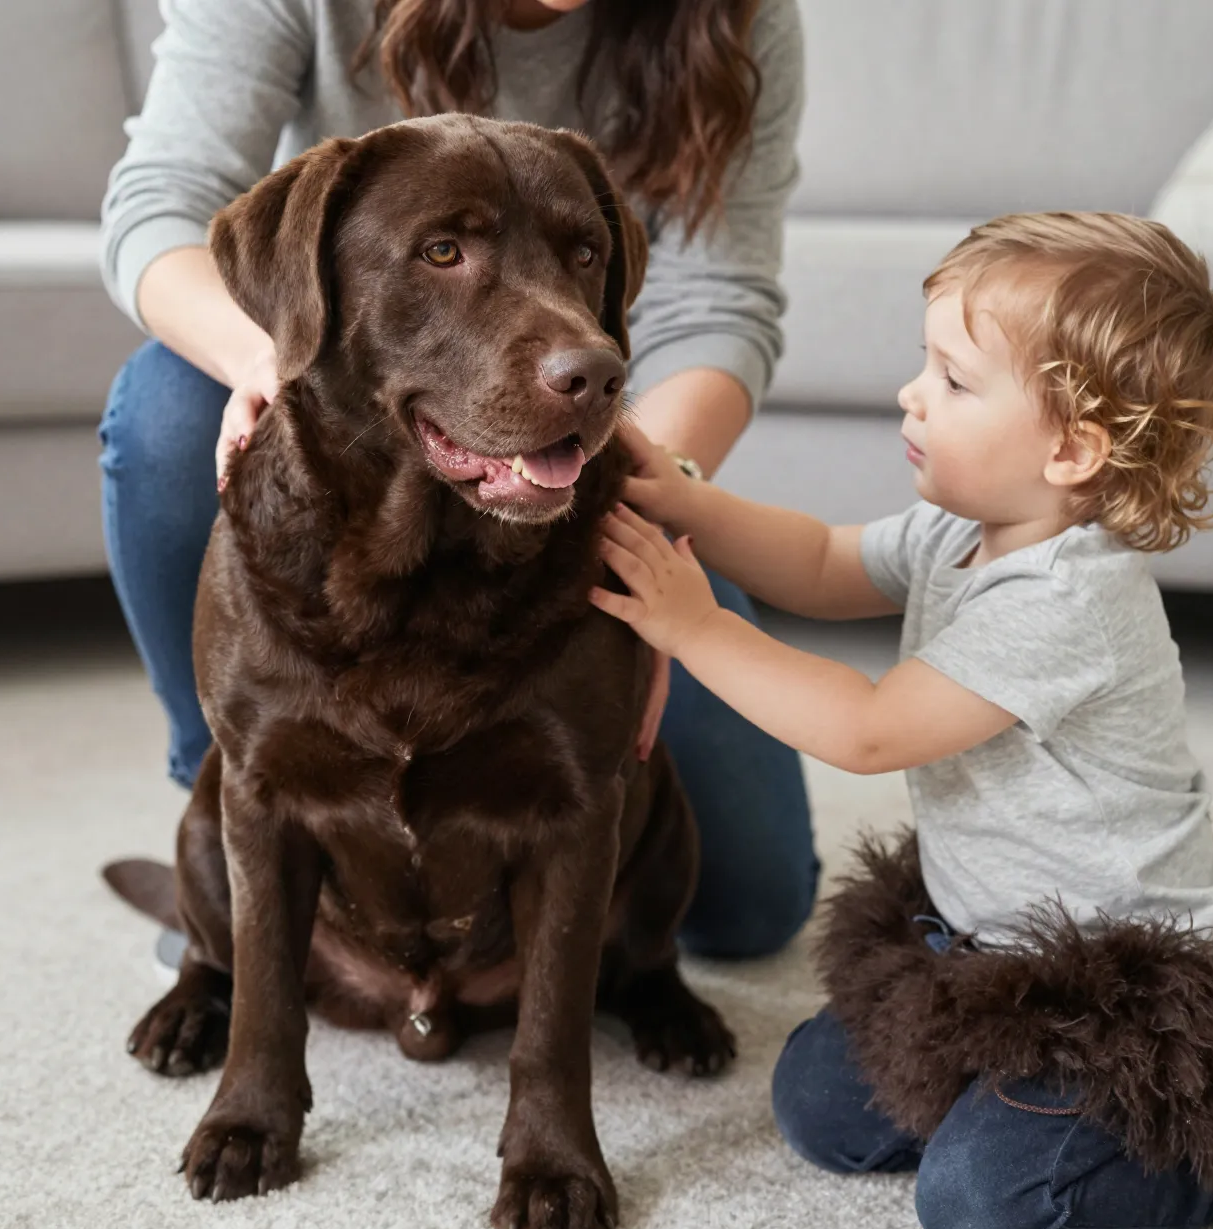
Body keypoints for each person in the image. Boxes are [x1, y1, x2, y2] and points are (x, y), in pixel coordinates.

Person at [593, 211, 1213, 1229]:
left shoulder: (1073, 598)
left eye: (951, 379)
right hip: (989, 959)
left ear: (1072, 447)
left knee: (990, 1206)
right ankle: (1020, 1098)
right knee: (818, 1105)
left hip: (1128, 999)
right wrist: (687, 505)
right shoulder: (965, 528)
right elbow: (815, 560)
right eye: (924, 365)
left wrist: (691, 625)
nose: (912, 394)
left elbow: (868, 729)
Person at [97, 0, 818, 961]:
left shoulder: (733, 18)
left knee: (751, 905)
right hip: (357, 406)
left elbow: (720, 300)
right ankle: (246, 819)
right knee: (162, 407)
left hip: (559, 469)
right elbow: (161, 203)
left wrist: (653, 501)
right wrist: (271, 362)